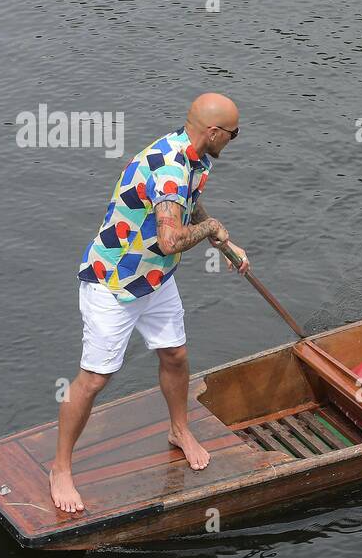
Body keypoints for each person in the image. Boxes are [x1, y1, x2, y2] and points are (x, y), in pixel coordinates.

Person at [51, 93, 250, 513]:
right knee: (94, 379)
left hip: (155, 278)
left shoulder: (196, 156)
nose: (234, 140)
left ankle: (179, 429)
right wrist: (212, 227)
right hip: (114, 283)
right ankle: (61, 468)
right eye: (233, 134)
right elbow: (169, 239)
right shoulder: (171, 169)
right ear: (213, 132)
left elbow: (187, 207)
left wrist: (225, 242)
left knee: (175, 355)